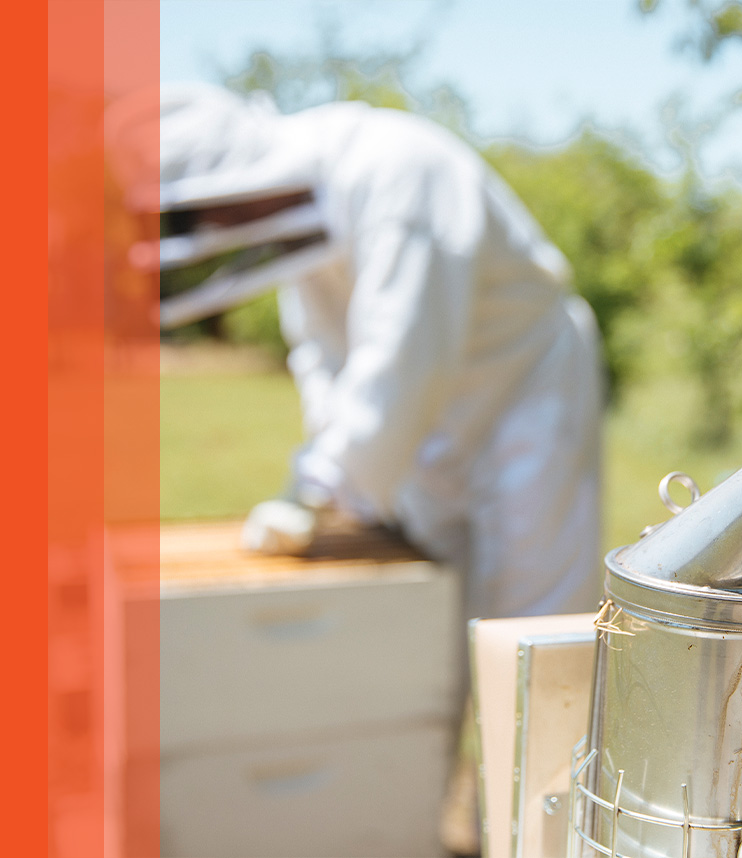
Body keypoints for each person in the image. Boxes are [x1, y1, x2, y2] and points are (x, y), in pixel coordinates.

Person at [111, 82, 603, 623]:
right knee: (431, 606)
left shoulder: (398, 170)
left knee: (530, 618)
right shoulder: (306, 214)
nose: (209, 228)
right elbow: (321, 352)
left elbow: (404, 355)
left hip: (526, 393)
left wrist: (318, 485)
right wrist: (326, 471)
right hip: (428, 417)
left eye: (199, 211)